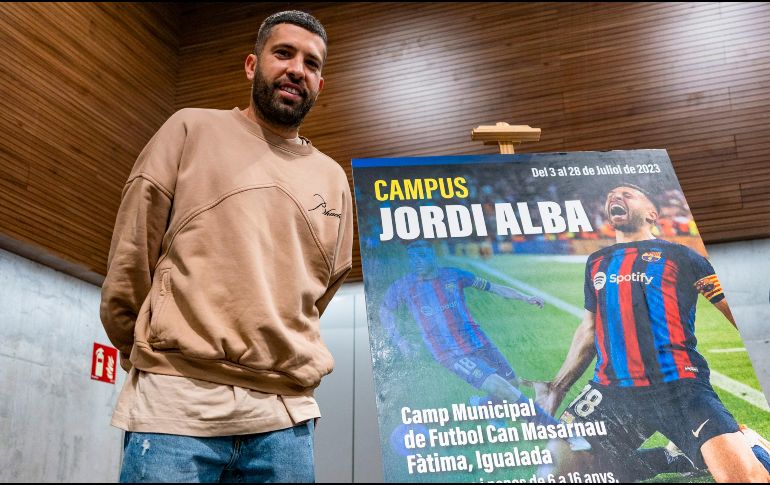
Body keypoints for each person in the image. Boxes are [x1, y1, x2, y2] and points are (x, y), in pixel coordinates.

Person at [100, 10, 353, 483]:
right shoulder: (190, 129)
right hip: (176, 406)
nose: (297, 69)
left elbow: (323, 289)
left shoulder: (333, 179)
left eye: (312, 63)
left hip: (285, 419)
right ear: (252, 65)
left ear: (321, 83)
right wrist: (141, 345)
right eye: (283, 53)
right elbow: (133, 252)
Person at [535, 183, 770, 482]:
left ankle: (749, 443)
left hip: (680, 388)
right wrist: (558, 386)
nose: (615, 197)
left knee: (746, 479)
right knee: (556, 476)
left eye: (627, 195)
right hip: (611, 392)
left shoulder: (682, 256)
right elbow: (589, 329)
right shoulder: (597, 261)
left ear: (651, 214)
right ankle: (671, 456)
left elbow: (735, 309)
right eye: (611, 196)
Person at [379, 240, 591, 451]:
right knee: (507, 391)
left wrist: (524, 297)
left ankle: (483, 406)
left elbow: (493, 288)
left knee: (511, 382)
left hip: (478, 341)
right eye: (412, 257)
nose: (417, 261)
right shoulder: (403, 286)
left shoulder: (453, 275)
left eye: (422, 255)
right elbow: (385, 310)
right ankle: (567, 435)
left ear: (432, 255)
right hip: (451, 353)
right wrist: (399, 340)